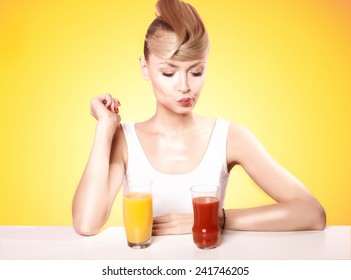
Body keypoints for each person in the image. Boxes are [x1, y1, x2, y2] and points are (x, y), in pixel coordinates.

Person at [72, 0, 326, 236]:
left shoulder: (230, 137)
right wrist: (105, 129)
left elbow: (312, 213)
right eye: (169, 73)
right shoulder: (124, 141)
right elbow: (86, 224)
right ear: (145, 69)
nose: (185, 86)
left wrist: (216, 218)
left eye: (196, 71)